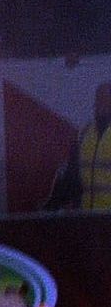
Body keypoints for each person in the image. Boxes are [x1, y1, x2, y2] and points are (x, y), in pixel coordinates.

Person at [41, 82, 111, 212]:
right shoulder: (85, 134)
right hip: (87, 218)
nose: (102, 104)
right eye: (99, 99)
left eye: (106, 99)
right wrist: (52, 205)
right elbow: (72, 176)